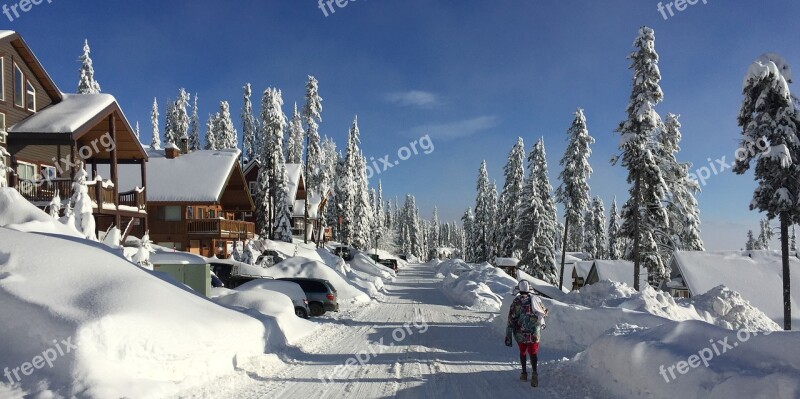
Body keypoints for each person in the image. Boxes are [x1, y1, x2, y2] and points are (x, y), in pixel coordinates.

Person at [505, 280, 548, 387]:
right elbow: (545, 312)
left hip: (520, 332)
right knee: (533, 352)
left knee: (523, 352)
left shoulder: (516, 302)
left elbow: (511, 318)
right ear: (529, 289)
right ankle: (534, 374)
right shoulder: (535, 300)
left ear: (519, 289)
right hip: (534, 332)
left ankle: (524, 374)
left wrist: (508, 333)